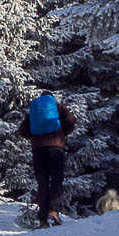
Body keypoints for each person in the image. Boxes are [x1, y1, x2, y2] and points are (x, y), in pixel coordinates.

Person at [18, 90, 76, 226]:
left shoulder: (34, 112)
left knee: (42, 184)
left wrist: (34, 138)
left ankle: (43, 220)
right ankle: (54, 211)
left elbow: (22, 130)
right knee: (57, 180)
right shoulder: (58, 107)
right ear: (51, 98)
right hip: (57, 148)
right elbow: (71, 120)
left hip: (38, 150)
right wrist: (63, 134)